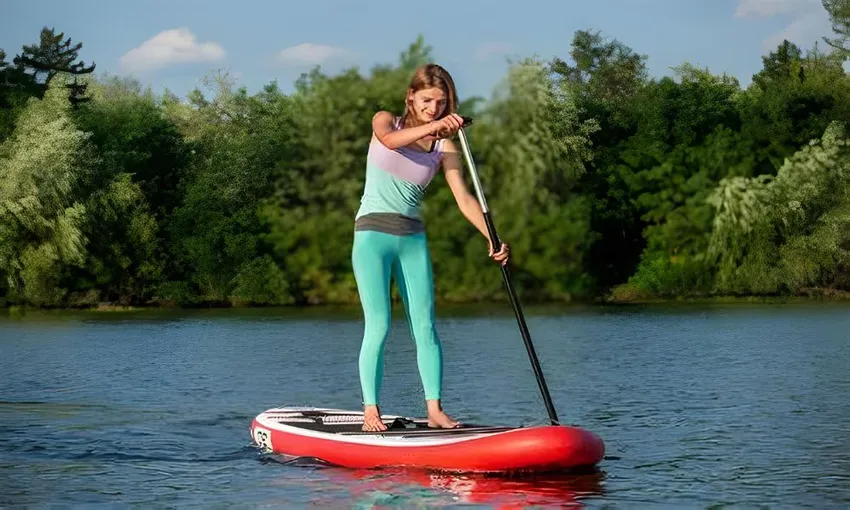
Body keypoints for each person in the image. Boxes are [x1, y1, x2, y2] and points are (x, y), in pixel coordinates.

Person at [352, 63, 510, 432]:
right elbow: (390, 142)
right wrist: (435, 126)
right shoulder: (385, 121)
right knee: (379, 324)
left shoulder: (444, 146)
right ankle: (371, 411)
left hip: (412, 239)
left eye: (441, 103)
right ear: (411, 96)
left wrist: (493, 238)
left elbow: (465, 199)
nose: (433, 108)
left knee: (425, 326)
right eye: (426, 100)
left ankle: (435, 410)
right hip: (372, 236)